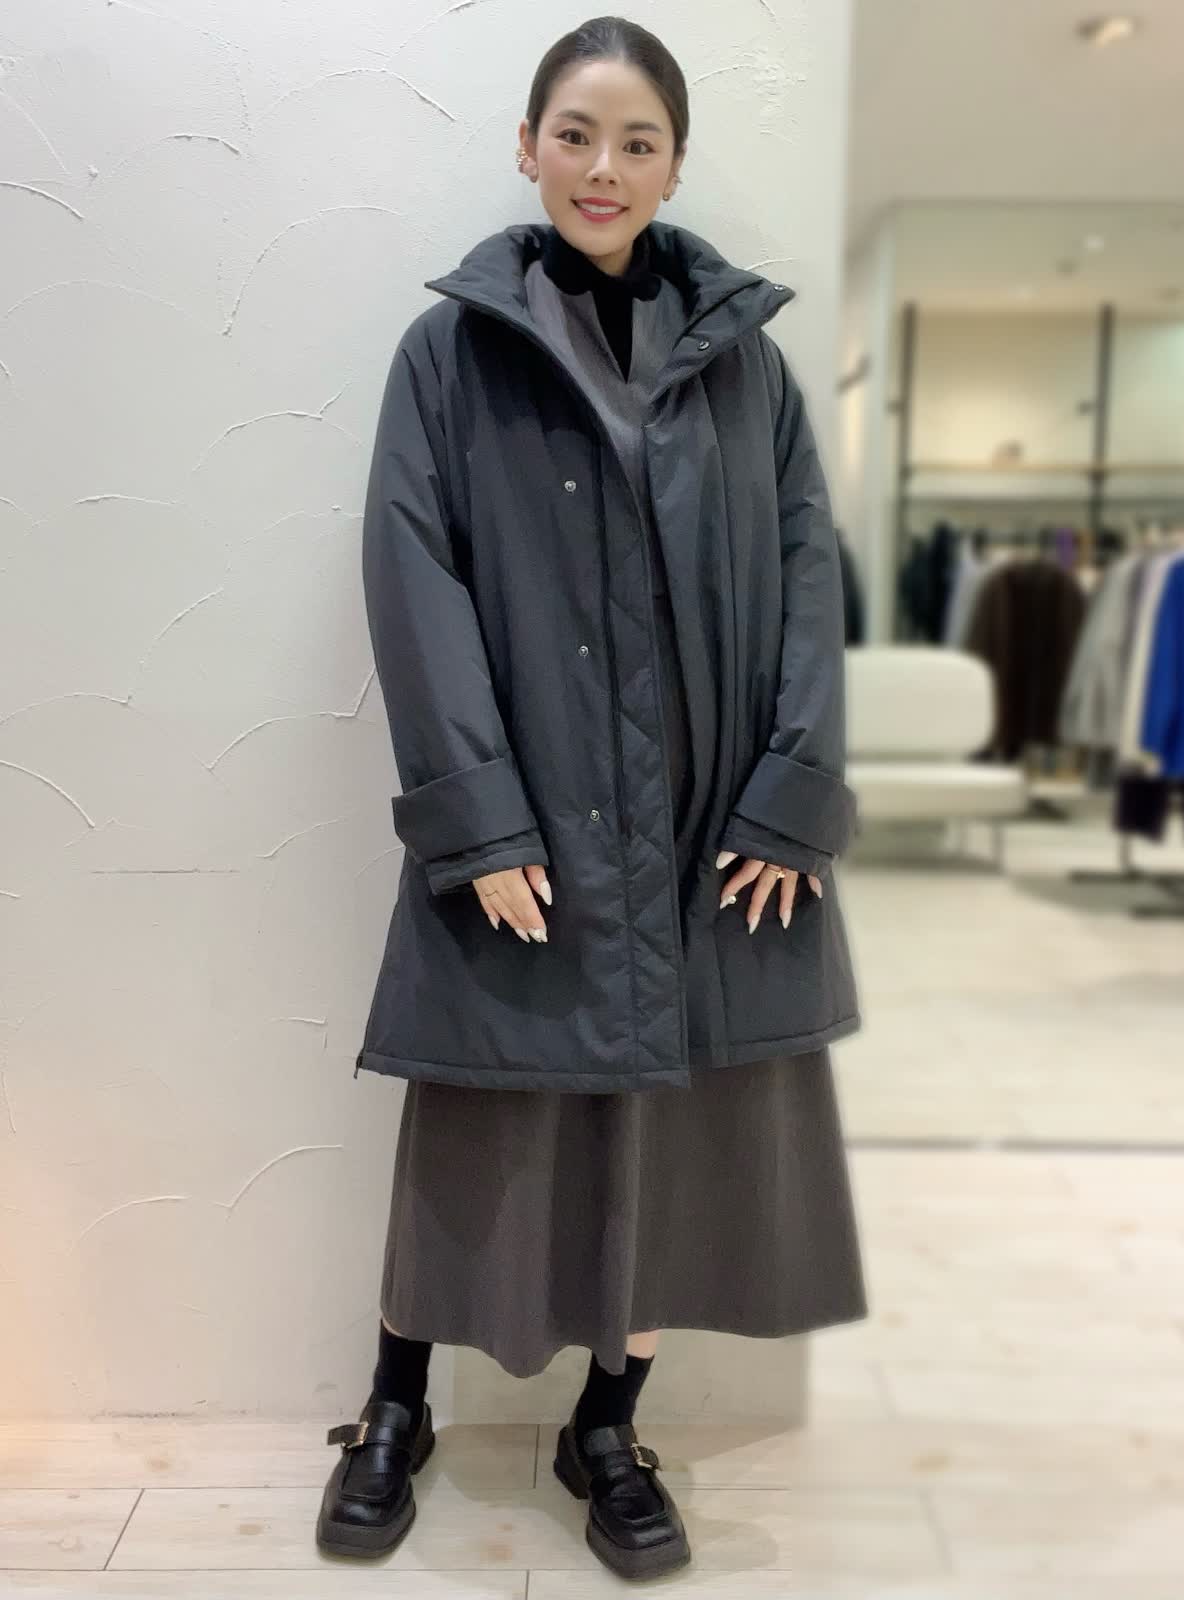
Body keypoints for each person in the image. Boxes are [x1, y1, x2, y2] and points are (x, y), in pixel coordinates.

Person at [316, 16, 868, 1583]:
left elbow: (810, 576)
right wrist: (477, 819)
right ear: (528, 147)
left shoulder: (748, 368)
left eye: (637, 141)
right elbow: (412, 580)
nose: (603, 167)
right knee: (474, 1123)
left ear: (675, 164)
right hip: (535, 821)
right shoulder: (450, 357)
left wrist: (791, 794)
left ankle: (607, 1430)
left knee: (666, 1143)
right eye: (575, 134)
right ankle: (395, 1408)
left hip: (700, 826)